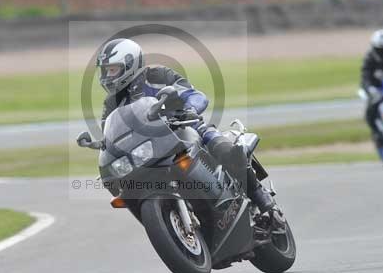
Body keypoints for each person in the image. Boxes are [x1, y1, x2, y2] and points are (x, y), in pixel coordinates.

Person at [93, 37, 282, 223]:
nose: (107, 77)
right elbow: (109, 132)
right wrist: (105, 145)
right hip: (152, 148)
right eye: (105, 71)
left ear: (130, 64)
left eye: (112, 70)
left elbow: (195, 95)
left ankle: (260, 197)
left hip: (186, 128)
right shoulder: (111, 103)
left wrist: (189, 109)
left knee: (227, 151)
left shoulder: (159, 76)